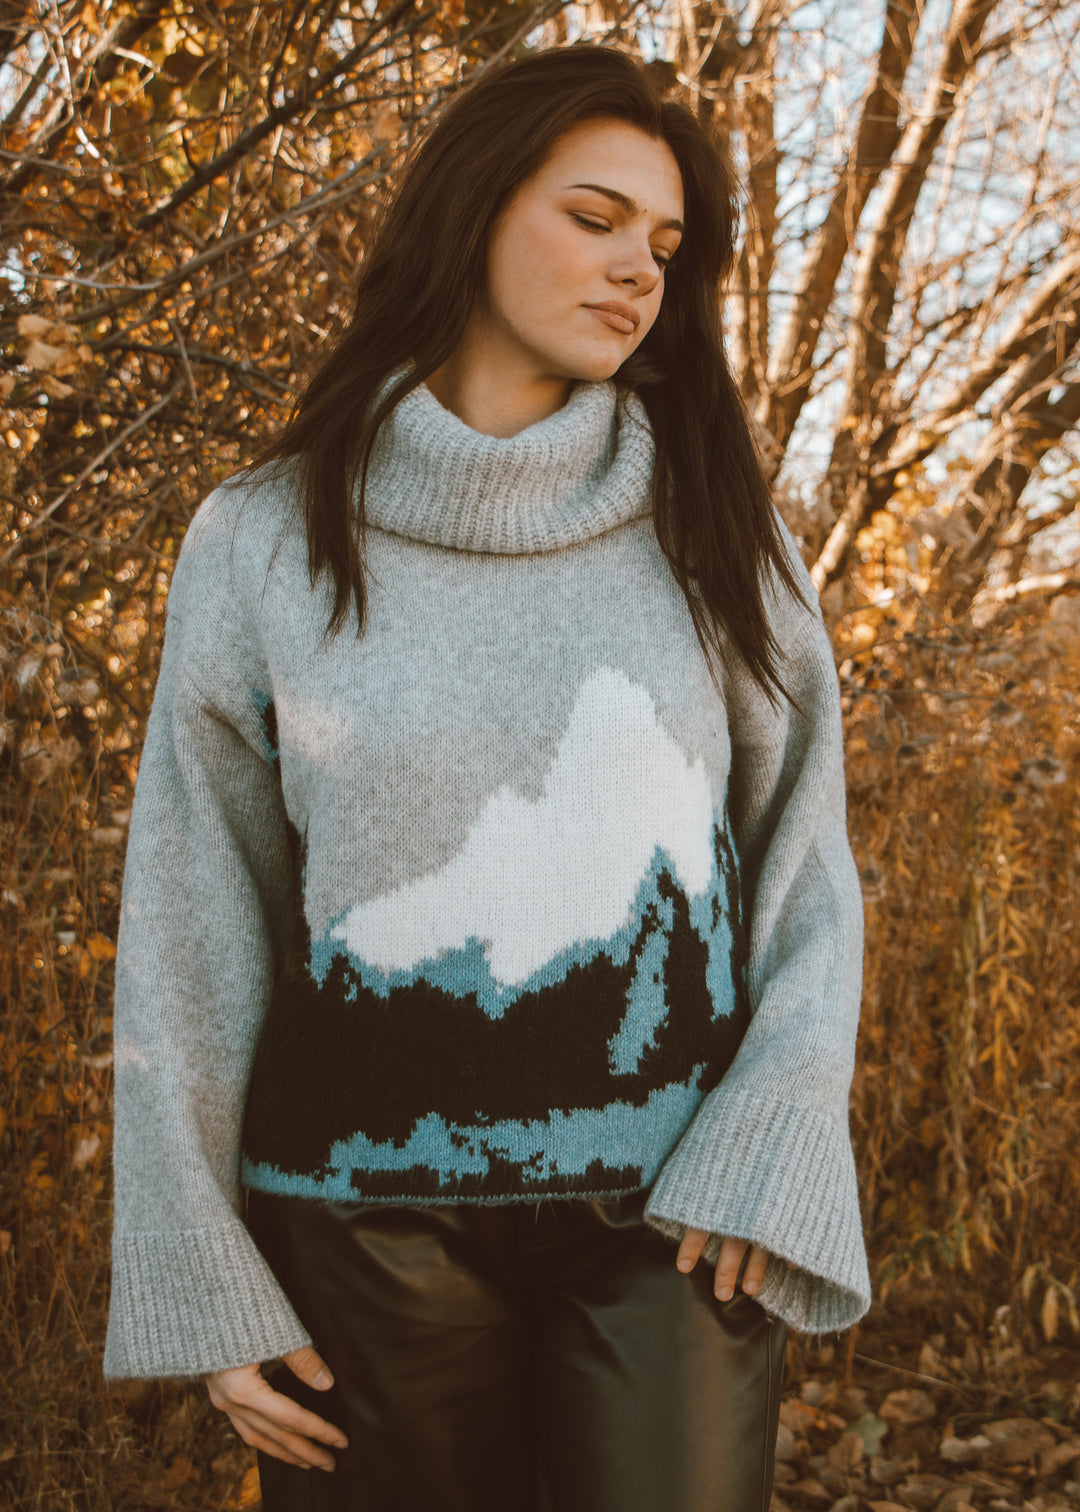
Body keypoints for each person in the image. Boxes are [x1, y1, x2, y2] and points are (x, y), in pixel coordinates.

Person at [103, 42, 871, 1512]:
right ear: (471, 209)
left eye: (664, 244)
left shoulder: (718, 527)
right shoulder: (264, 537)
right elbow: (194, 912)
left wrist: (776, 1124)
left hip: (675, 1219)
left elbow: (805, 859)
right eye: (594, 217)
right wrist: (204, 1273)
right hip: (357, 1230)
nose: (638, 268)